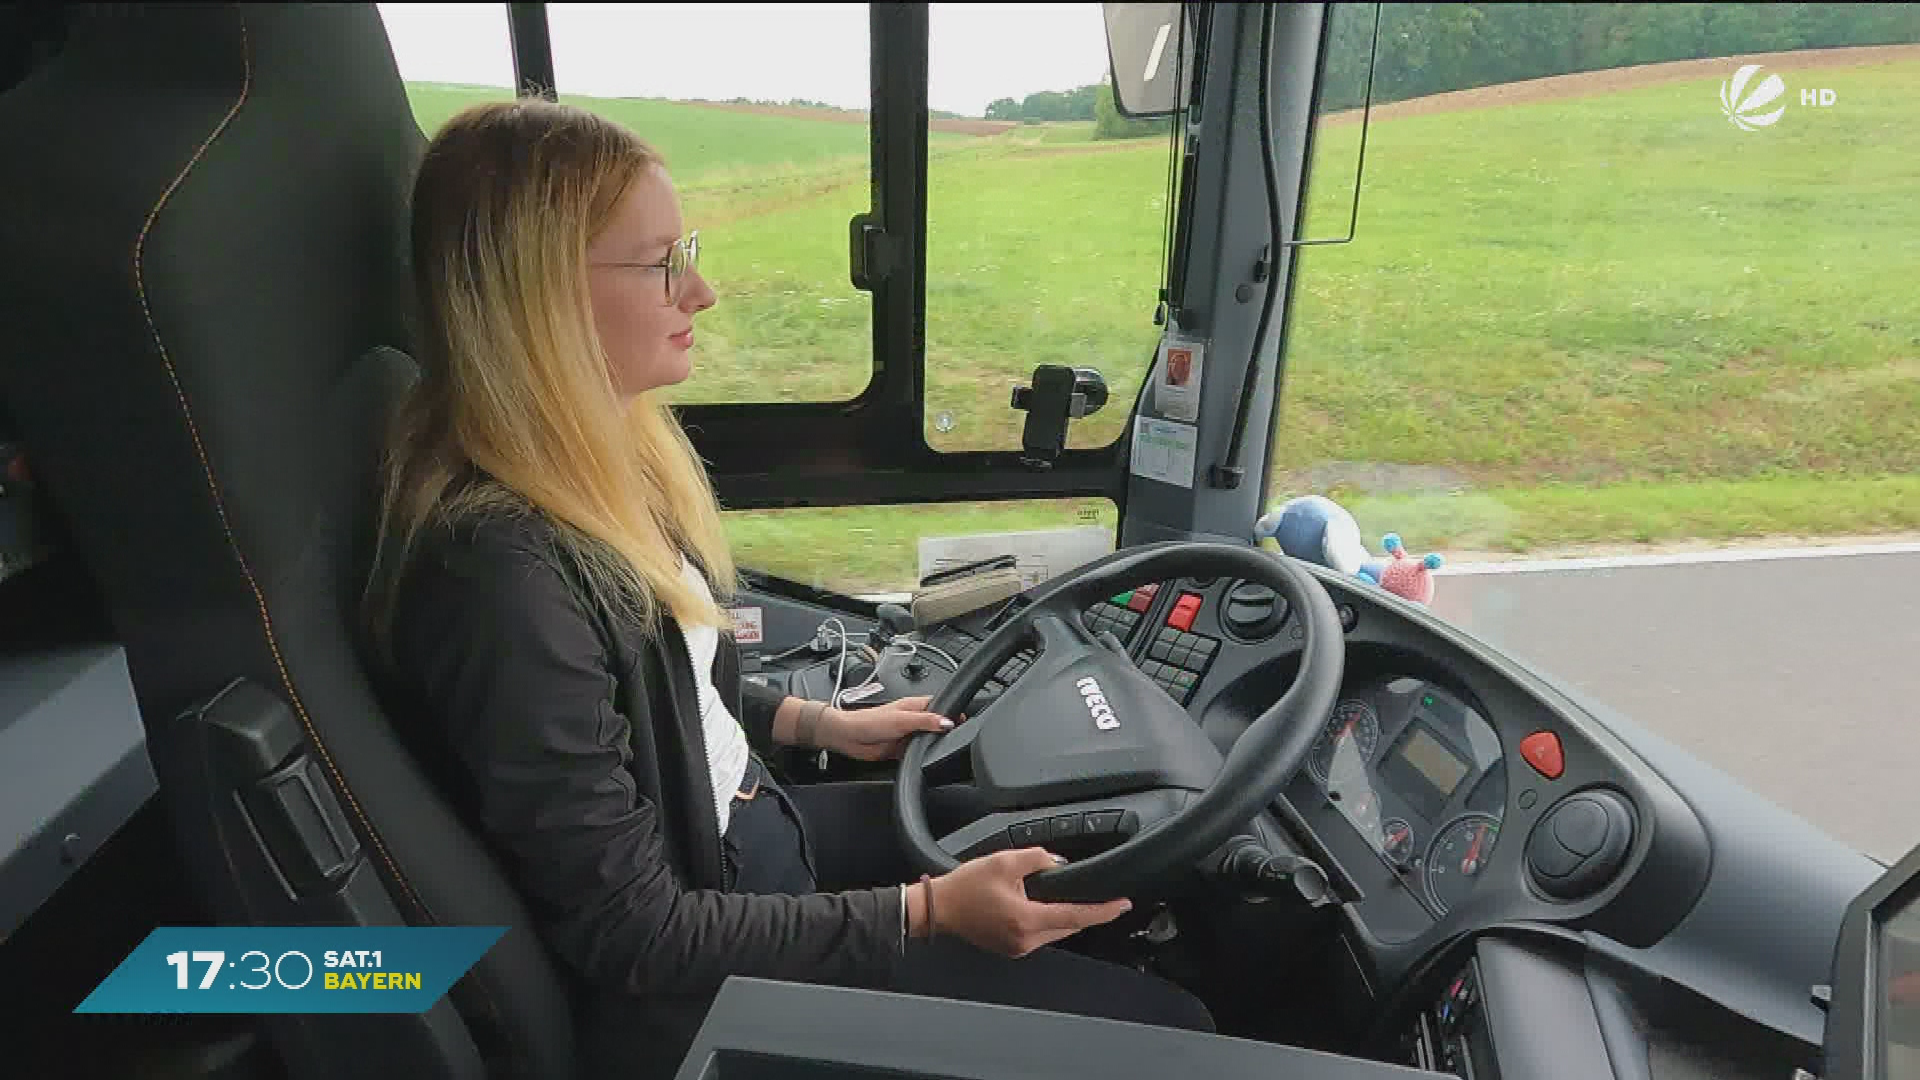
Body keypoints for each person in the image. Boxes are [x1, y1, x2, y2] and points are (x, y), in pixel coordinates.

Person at [361, 98, 1213, 1077]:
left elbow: (661, 692)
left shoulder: (591, 478)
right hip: (708, 983)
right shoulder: (503, 579)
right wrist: (931, 913)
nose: (703, 290)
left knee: (1045, 838)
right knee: (1179, 1031)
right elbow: (637, 935)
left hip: (748, 840)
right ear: (538, 296)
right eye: (659, 264)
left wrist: (818, 728)